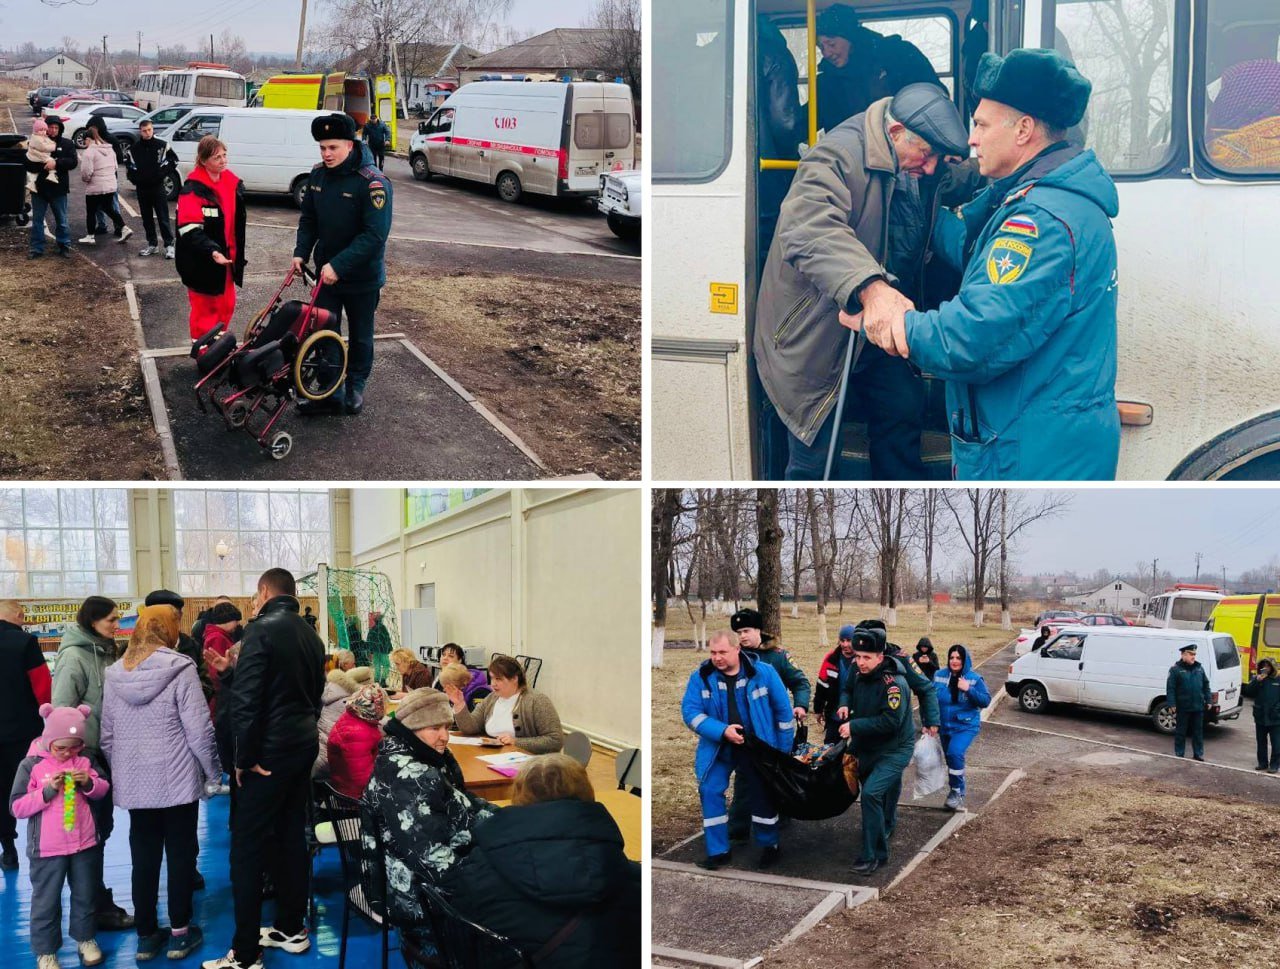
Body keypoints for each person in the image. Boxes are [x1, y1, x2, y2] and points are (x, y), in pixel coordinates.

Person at [848, 48, 1120, 480]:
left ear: (1024, 130)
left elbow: (971, 338)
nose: (971, 139)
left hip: (1029, 458)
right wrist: (929, 216)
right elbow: (982, 259)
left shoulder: (1040, 223)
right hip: (1038, 438)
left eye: (980, 124)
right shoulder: (1041, 200)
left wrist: (888, 322)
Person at [754, 83, 971, 480]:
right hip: (813, 334)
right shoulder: (836, 156)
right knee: (814, 455)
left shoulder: (911, 161)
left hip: (863, 327)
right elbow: (809, 227)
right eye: (925, 155)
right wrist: (872, 288)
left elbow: (950, 178)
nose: (930, 167)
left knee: (902, 406)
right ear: (895, 133)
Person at [203, 569, 325, 969]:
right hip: (300, 747)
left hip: (266, 756)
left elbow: (248, 704)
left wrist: (242, 758)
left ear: (263, 592)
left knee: (247, 847)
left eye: (254, 598)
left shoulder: (260, 631)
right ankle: (291, 928)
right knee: (290, 835)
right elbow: (297, 692)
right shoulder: (311, 634)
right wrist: (230, 672)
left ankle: (245, 952)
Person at [100, 605, 219, 961]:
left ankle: (147, 935)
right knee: (181, 856)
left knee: (144, 858)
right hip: (178, 781)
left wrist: (122, 770)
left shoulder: (116, 673)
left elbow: (108, 735)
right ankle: (181, 932)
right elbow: (199, 730)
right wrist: (212, 774)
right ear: (169, 629)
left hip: (136, 784)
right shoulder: (180, 668)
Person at [445, 754, 641, 966]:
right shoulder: (629, 876)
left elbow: (459, 935)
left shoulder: (479, 868)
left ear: (519, 794)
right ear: (586, 791)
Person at [360, 688, 497, 948]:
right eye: (434, 728)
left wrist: (506, 819)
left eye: (447, 726)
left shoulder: (424, 757)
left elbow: (462, 800)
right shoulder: (410, 777)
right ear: (412, 728)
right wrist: (487, 880)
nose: (444, 736)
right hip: (415, 895)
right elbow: (430, 860)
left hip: (424, 874)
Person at [292, 112, 393, 417]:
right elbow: (309, 219)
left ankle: (356, 385)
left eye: (332, 147)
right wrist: (301, 252)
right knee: (326, 331)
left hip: (361, 277)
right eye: (322, 148)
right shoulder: (318, 175)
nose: (326, 154)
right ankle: (329, 390)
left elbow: (374, 235)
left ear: (350, 145)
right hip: (326, 276)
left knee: (361, 334)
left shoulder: (373, 183)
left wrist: (339, 265)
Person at [52, 596, 133, 932]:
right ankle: (95, 906)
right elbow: (61, 711)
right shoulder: (74, 658)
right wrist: (77, 758)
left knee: (101, 830)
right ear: (92, 622)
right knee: (89, 834)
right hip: (85, 760)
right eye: (111, 621)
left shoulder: (110, 651)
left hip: (107, 754)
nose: (118, 626)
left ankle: (95, 900)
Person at [10, 703, 111, 969]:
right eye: (61, 747)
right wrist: (46, 792)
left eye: (75, 746)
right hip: (46, 849)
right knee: (46, 901)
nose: (68, 753)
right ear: (49, 741)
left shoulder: (85, 761)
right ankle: (46, 951)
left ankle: (86, 938)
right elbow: (17, 806)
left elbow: (102, 789)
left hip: (84, 843)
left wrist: (88, 783)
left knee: (86, 894)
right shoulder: (31, 765)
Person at [682, 630, 793, 870]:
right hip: (719, 746)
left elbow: (783, 714)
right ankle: (718, 851)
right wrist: (722, 731)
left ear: (737, 650)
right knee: (710, 790)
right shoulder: (701, 677)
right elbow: (690, 713)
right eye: (713, 652)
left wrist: (781, 754)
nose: (717, 657)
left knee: (761, 793)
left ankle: (769, 845)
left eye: (722, 652)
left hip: (756, 746)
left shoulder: (764, 673)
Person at [726, 607, 810, 841]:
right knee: (744, 777)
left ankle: (782, 814)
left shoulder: (777, 656)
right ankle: (737, 828)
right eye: (738, 632)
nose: (742, 636)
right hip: (745, 730)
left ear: (759, 630)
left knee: (775, 774)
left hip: (773, 729)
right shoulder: (735, 657)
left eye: (747, 630)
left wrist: (801, 705)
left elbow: (800, 682)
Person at [839, 629, 914, 874]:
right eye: (858, 656)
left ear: (880, 657)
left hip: (894, 749)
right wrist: (843, 705)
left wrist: (854, 726)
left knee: (871, 794)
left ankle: (872, 855)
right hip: (867, 746)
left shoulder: (894, 685)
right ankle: (878, 848)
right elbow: (847, 689)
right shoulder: (858, 673)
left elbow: (890, 722)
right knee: (873, 797)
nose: (860, 662)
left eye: (866, 658)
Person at [815, 4, 944, 133]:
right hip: (851, 150)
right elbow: (810, 118)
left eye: (831, 44)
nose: (826, 53)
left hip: (904, 144)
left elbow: (934, 98)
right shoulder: (827, 81)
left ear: (850, 38)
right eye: (821, 47)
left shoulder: (899, 55)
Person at [176, 135, 246, 342]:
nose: (223, 160)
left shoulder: (231, 183)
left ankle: (219, 348)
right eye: (217, 157)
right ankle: (204, 352)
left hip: (227, 262)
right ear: (203, 160)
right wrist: (213, 251)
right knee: (205, 309)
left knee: (226, 305)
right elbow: (188, 229)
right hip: (202, 263)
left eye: (225, 155)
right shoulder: (192, 190)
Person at [0, 600, 51, 871]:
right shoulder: (25, 642)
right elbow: (43, 687)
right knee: (36, 786)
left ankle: (7, 848)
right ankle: (42, 842)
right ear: (19, 615)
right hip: (24, 731)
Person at [450, 655, 564, 753]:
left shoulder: (537, 701)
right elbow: (471, 728)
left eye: (498, 679)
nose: (493, 684)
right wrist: (460, 705)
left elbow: (555, 740)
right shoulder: (491, 698)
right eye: (492, 678)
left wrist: (516, 742)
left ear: (514, 678)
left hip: (527, 765)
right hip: (492, 757)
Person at [932, 644, 990, 811]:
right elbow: (929, 698)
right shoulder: (939, 675)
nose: (954, 661)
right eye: (952, 657)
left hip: (965, 726)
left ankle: (957, 792)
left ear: (964, 660)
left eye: (958, 658)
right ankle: (956, 790)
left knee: (955, 753)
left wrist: (968, 689)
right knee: (951, 760)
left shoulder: (974, 678)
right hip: (944, 726)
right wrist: (929, 722)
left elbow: (985, 701)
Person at [146, 590, 214, 704]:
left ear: (179, 616)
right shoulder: (133, 650)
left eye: (170, 616)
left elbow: (206, 682)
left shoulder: (192, 646)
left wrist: (188, 698)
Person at [24, 114, 77, 258]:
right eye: (51, 127)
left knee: (62, 220)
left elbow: (73, 162)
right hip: (39, 189)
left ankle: (64, 245)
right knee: (37, 221)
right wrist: (43, 166)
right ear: (45, 128)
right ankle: (37, 248)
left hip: (58, 190)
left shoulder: (67, 144)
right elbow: (27, 163)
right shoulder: (35, 142)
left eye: (56, 127)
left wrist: (57, 163)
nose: (53, 130)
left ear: (60, 129)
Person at [325, 682, 388, 799]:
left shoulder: (352, 716)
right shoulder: (358, 733)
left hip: (344, 786)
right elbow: (361, 779)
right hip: (354, 798)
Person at [125, 117, 176, 258]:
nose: (147, 133)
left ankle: (169, 245)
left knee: (163, 217)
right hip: (142, 189)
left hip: (158, 187)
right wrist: (137, 181)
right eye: (144, 131)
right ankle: (152, 244)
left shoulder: (162, 145)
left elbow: (173, 161)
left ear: (152, 129)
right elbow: (129, 168)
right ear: (140, 132)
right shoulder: (134, 149)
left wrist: (160, 175)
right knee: (146, 218)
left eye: (149, 130)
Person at [77, 116, 132, 246]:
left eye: (84, 140)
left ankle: (90, 236)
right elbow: (116, 166)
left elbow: (86, 172)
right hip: (110, 184)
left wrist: (87, 179)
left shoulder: (90, 152)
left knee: (91, 210)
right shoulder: (109, 148)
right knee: (109, 208)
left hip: (96, 186)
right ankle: (124, 228)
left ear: (88, 139)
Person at [313, 664, 373, 779]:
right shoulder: (351, 703)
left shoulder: (331, 694)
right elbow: (378, 728)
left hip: (317, 756)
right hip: (330, 766)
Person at [1166, 644, 1212, 761]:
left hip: (1198, 706)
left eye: (1194, 654)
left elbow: (1206, 685)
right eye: (1191, 654)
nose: (1193, 657)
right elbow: (1170, 688)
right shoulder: (1175, 670)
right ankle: (1179, 753)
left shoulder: (1199, 668)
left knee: (1198, 732)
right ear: (1183, 655)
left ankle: (1198, 753)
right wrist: (1171, 704)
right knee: (1181, 731)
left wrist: (1209, 699)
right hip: (1183, 706)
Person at [814, 625, 859, 744]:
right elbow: (821, 685)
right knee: (830, 748)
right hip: (834, 713)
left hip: (857, 716)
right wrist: (818, 710)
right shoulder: (831, 658)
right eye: (842, 640)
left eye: (849, 640)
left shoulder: (862, 659)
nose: (845, 644)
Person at [202, 600, 243, 713]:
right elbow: (216, 671)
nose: (238, 624)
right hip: (223, 692)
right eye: (236, 620)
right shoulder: (217, 638)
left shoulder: (221, 636)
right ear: (226, 620)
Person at [1242, 658, 1280, 773]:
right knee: (1261, 742)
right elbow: (1248, 691)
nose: (1265, 668)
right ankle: (1262, 763)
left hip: (1275, 717)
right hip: (1260, 716)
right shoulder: (1258, 679)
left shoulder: (1278, 679)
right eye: (1263, 666)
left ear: (1272, 667)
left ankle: (1274, 765)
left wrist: (1278, 709)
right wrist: (1257, 681)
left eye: (1267, 666)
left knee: (1276, 743)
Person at [24, 117, 56, 196]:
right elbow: (44, 147)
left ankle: (31, 184)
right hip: (36, 157)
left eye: (45, 130)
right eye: (41, 130)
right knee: (51, 161)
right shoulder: (36, 138)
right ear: (36, 130)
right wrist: (54, 146)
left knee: (34, 174)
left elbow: (48, 142)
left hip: (37, 156)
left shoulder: (41, 137)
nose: (43, 132)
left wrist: (51, 143)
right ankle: (52, 175)